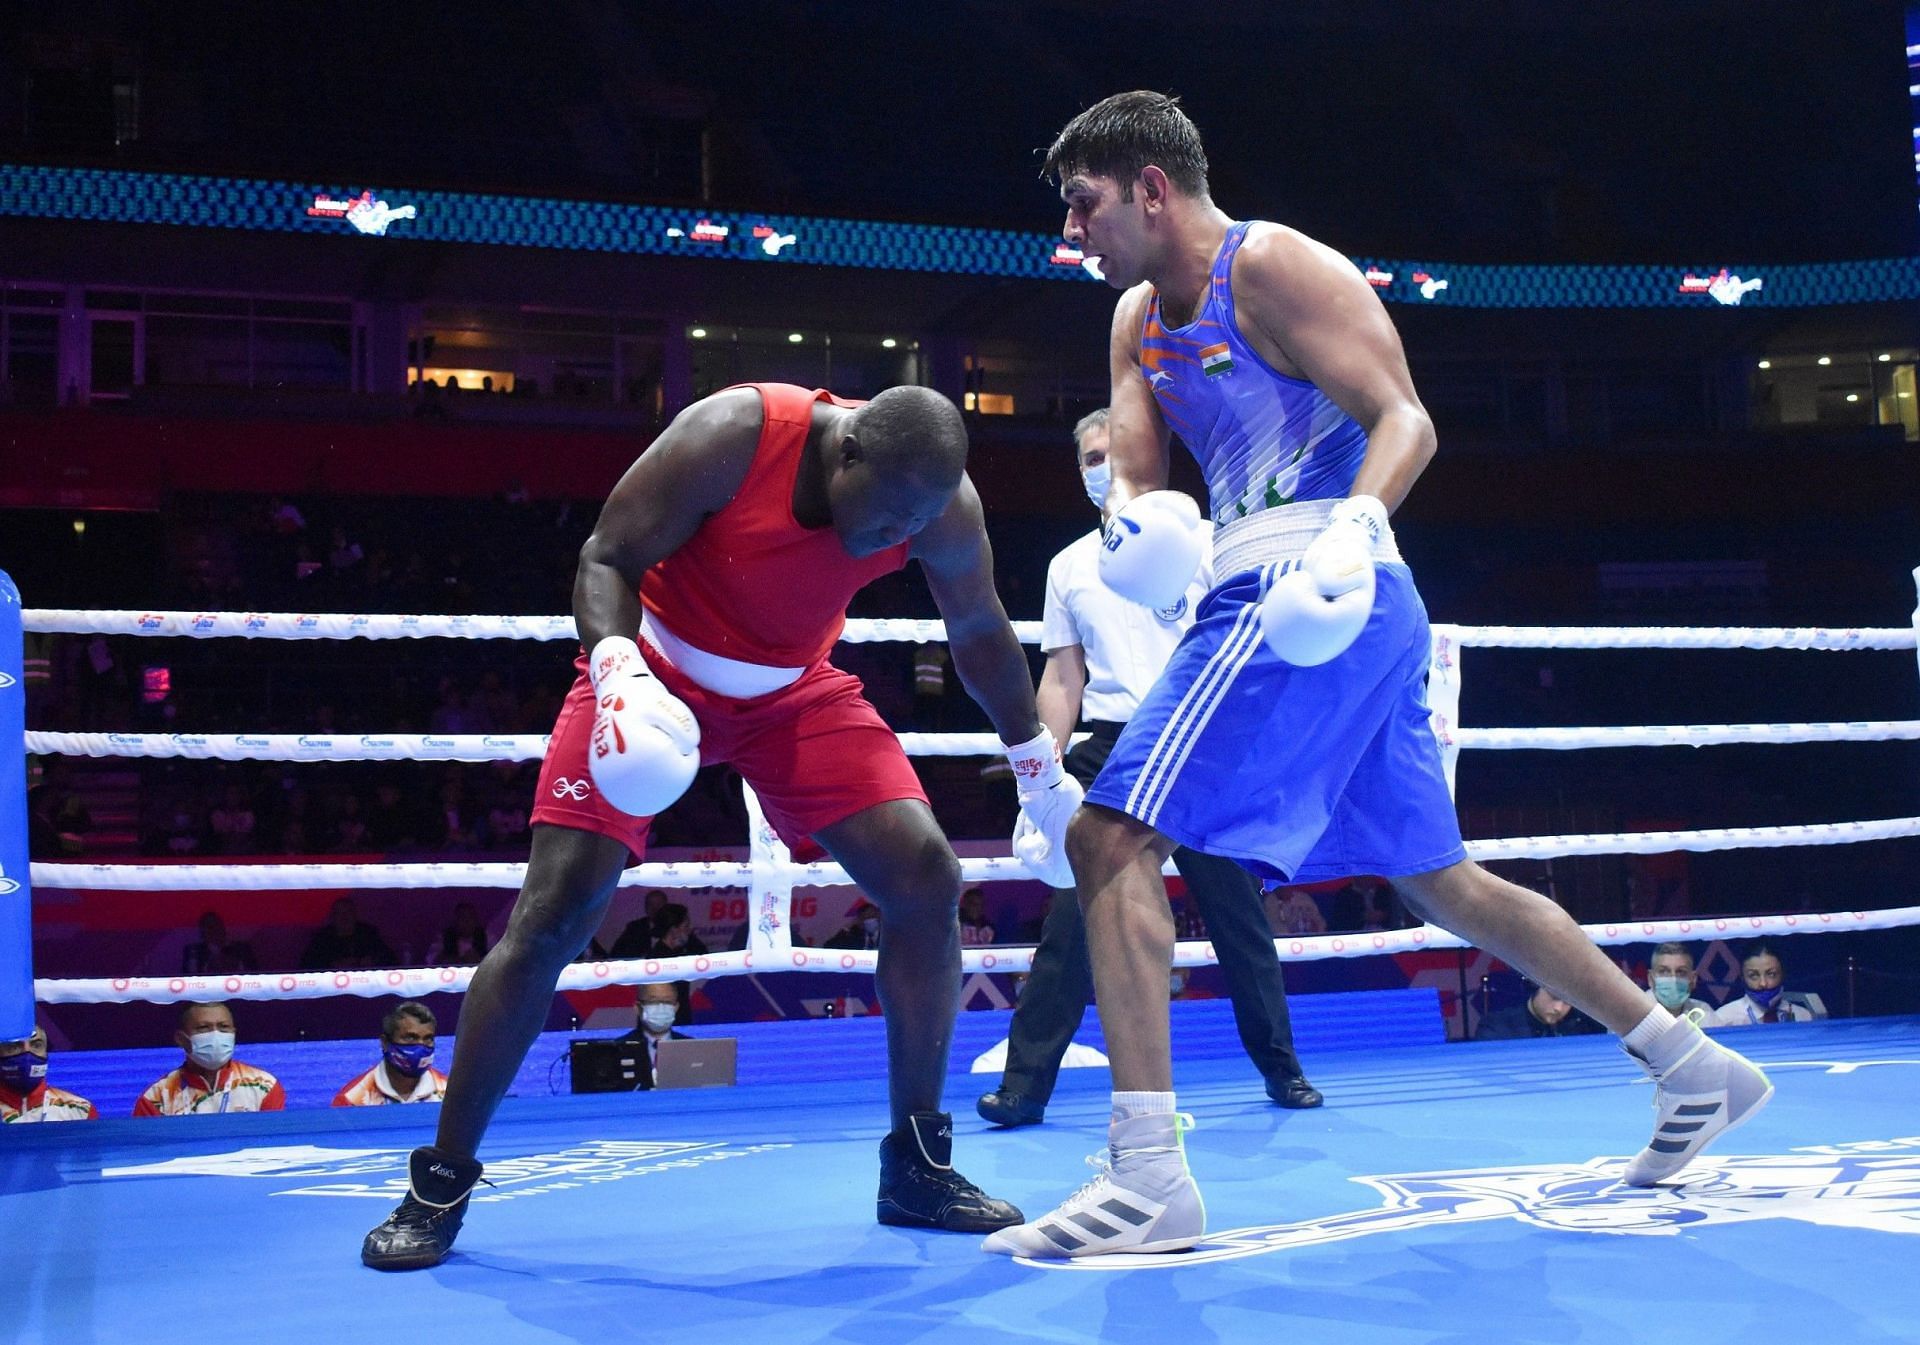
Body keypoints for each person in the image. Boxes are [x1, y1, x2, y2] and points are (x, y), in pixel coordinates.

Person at [987, 92, 1772, 1259]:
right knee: (1438, 877)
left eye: (1086, 204)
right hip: (1266, 589)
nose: (1075, 232)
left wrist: (1352, 523)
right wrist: (1136, 529)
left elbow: (1406, 418)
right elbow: (1149, 494)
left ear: (1152, 186)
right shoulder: (1135, 322)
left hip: (1321, 579)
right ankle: (1690, 1061)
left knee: (1109, 841)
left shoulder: (1280, 266)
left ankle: (1149, 1177)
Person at [362, 381, 1078, 1269]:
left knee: (928, 878)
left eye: (912, 527)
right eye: (887, 516)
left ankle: (919, 1168)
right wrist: (617, 670)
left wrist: (1037, 765)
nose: (896, 538)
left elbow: (977, 629)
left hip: (791, 693)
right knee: (553, 913)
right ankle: (440, 1179)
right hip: (651, 674)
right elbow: (606, 555)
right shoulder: (737, 433)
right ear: (846, 450)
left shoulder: (939, 499)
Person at [977, 408, 1321, 1132]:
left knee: (1236, 911)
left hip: (1201, 733)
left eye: (1112, 450)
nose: (1101, 466)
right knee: (1075, 916)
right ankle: (1024, 1084)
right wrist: (1038, 778)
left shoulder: (1206, 546)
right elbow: (1063, 680)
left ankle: (1283, 1067)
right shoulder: (1069, 565)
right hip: (1113, 744)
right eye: (1089, 457)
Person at [134, 1002, 285, 1116]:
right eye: (203, 1028)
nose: (215, 1035)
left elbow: (272, 1146)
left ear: (234, 1033)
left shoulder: (264, 1086)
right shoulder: (156, 1098)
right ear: (180, 1039)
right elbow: (146, 1153)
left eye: (223, 1027)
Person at [334, 1002, 449, 1106]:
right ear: (385, 1042)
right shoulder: (352, 1100)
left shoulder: (450, 1094)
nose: (420, 1046)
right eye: (410, 1038)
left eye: (428, 1039)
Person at [1708, 943, 1827, 1026]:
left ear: (1783, 974)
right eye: (1753, 975)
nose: (1763, 983)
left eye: (1771, 974)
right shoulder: (1724, 1019)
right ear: (1742, 978)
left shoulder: (1803, 1017)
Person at [1, 1027, 98, 1123]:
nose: (27, 1055)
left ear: (46, 1054)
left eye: (36, 1045)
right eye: (13, 1047)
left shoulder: (80, 1112)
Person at [1474, 982, 1602, 1040]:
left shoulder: (1583, 1026)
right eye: (1554, 997)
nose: (1558, 1008)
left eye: (1568, 1002)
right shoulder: (1497, 1027)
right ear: (1536, 987)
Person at [622, 981, 693, 1082]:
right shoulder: (621, 1048)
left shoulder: (691, 1047)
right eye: (653, 1002)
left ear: (676, 1007)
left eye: (668, 1002)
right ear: (638, 1008)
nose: (661, 1007)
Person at [301, 897, 397, 970]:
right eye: (339, 913)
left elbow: (390, 959)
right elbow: (306, 964)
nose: (344, 917)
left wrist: (373, 960)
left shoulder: (368, 933)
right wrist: (332, 965)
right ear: (332, 917)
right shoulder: (322, 938)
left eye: (348, 912)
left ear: (355, 915)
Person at [1646, 942, 1713, 1018]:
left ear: (1693, 979)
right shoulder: (1636, 1013)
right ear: (1650, 979)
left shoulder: (1703, 1012)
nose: (1673, 979)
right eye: (1664, 971)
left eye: (1681, 972)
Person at [181, 910, 259, 976]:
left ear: (223, 927)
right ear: (202, 932)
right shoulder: (193, 951)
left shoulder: (242, 948)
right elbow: (188, 976)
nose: (214, 929)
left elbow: (255, 973)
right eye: (209, 926)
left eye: (217, 924)